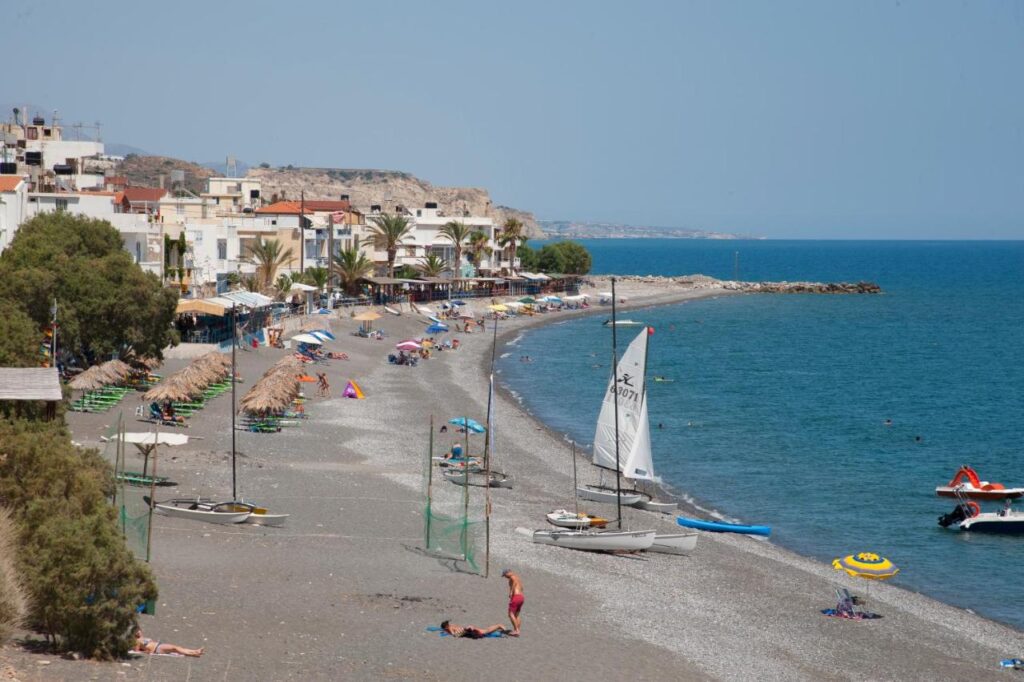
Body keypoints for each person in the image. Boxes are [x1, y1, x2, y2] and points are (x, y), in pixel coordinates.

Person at [132, 627, 204, 657]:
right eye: (137, 631)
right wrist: (146, 651)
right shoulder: (137, 641)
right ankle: (195, 652)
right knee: (175, 648)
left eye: (139, 630)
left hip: (159, 645)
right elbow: (136, 651)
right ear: (135, 633)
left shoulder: (144, 638)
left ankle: (195, 652)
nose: (139, 632)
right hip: (156, 649)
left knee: (177, 648)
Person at [502, 569, 524, 636]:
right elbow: (522, 588)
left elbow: (514, 581)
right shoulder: (518, 578)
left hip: (516, 597)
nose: (505, 577)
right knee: (516, 615)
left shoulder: (512, 576)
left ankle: (516, 630)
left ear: (508, 572)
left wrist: (511, 591)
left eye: (505, 575)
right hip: (521, 597)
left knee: (510, 614)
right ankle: (517, 630)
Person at [439, 620, 507, 639]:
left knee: (485, 632)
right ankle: (498, 627)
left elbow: (454, 634)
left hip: (467, 630)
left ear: (446, 627)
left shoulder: (450, 628)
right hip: (468, 628)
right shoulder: (452, 625)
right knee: (485, 631)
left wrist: (451, 634)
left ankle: (499, 626)